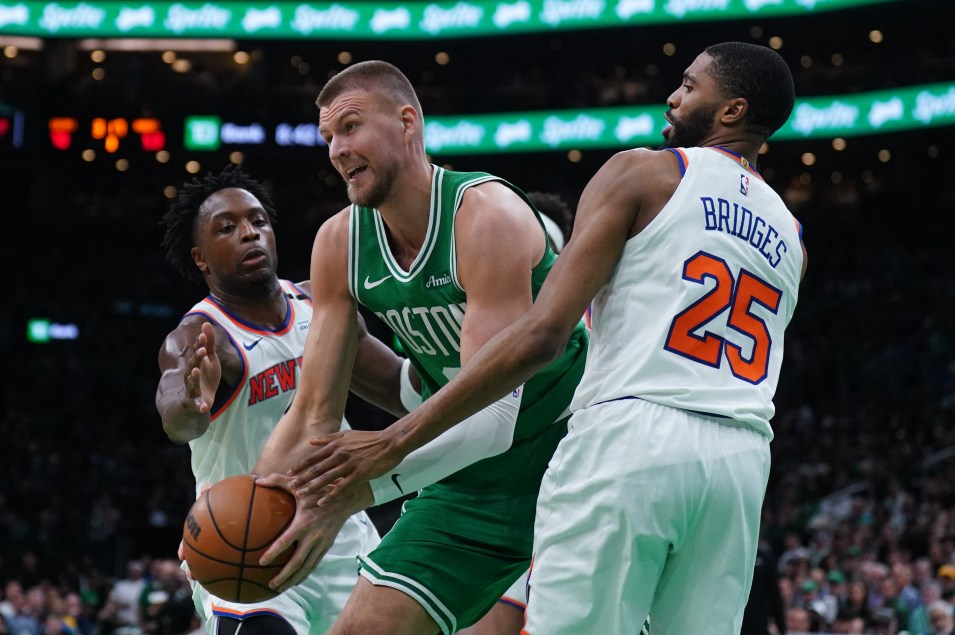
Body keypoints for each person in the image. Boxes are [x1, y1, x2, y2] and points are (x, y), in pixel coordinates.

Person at [288, 42, 805, 635]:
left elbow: (541, 335)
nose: (673, 95)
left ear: (732, 111)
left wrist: (395, 443)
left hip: (631, 435)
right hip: (740, 461)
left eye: (689, 86)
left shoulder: (643, 172)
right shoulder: (792, 234)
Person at [251, 60, 588, 635]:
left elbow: (493, 418)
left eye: (351, 127)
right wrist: (258, 506)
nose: (336, 149)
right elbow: (313, 412)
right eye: (328, 137)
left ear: (408, 122)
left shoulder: (485, 215)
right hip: (465, 469)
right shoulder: (339, 241)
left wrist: (367, 484)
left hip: (573, 449)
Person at [155, 165, 407, 634]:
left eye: (257, 221)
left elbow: (397, 387)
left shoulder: (321, 306)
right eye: (226, 228)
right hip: (242, 540)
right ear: (201, 258)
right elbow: (177, 419)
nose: (248, 233)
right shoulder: (202, 337)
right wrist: (193, 405)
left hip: (340, 535)